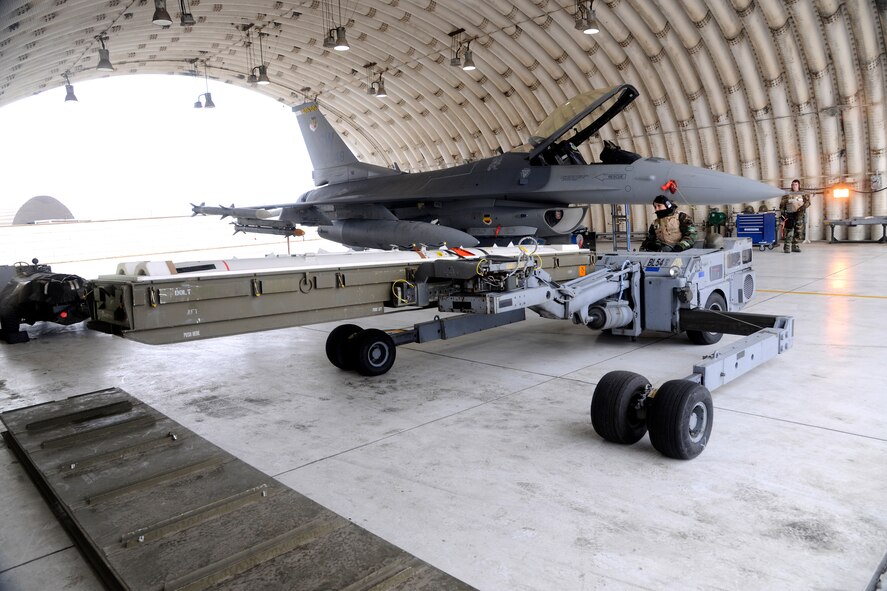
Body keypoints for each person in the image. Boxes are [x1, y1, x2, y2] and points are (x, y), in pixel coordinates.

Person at [780, 179, 811, 253]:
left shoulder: (803, 194)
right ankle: (787, 246)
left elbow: (808, 202)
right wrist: (783, 214)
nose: (794, 186)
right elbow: (782, 205)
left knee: (798, 230)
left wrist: (802, 207)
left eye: (796, 184)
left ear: (799, 185)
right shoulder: (787, 194)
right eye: (793, 184)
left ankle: (795, 245)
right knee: (789, 229)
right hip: (790, 213)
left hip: (799, 214)